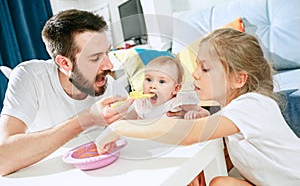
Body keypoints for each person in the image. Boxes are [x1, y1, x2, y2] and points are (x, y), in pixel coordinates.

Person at [95, 28, 300, 185]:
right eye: (196, 66)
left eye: (205, 68)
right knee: (220, 182)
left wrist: (119, 127)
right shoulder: (232, 111)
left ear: (239, 79)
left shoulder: (252, 104)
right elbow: (242, 155)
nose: (194, 74)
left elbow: (189, 133)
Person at [0, 9, 133, 176]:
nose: (109, 65)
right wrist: (88, 118)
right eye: (95, 58)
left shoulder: (107, 83)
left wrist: (164, 106)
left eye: (106, 52)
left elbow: (136, 124)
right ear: (64, 63)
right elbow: (2, 161)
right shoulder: (30, 76)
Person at [128, 56, 210, 120]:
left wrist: (196, 114)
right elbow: (126, 121)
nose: (152, 86)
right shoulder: (142, 104)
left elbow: (206, 114)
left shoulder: (178, 103)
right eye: (148, 79)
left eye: (161, 81)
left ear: (176, 89)